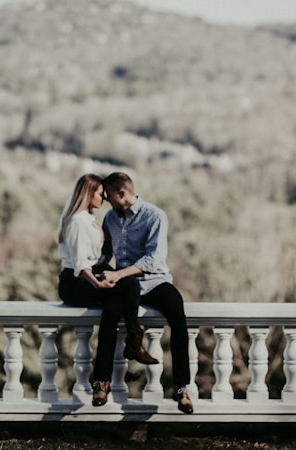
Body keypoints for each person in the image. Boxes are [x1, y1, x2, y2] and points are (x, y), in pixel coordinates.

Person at [56, 173, 157, 407]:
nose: (104, 198)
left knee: (113, 307)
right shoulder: (79, 221)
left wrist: (106, 267)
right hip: (77, 281)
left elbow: (97, 256)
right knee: (130, 283)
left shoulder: (88, 218)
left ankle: (101, 383)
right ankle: (134, 339)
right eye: (100, 193)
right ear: (88, 194)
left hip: (89, 273)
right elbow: (81, 263)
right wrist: (99, 283)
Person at [98, 171, 194, 414]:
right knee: (108, 316)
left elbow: (153, 259)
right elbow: (105, 252)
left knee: (177, 315)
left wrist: (118, 274)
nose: (106, 201)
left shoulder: (155, 215)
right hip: (125, 285)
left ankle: (182, 387)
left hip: (155, 281)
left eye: (108, 196)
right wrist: (88, 270)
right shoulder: (109, 218)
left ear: (121, 193)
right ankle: (101, 382)